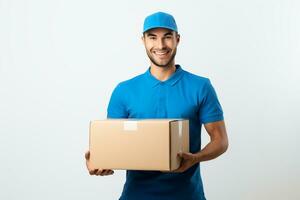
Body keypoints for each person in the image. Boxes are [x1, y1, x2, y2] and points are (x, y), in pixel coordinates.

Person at [85, 11, 228, 200]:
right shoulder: (124, 90)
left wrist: (195, 158)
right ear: (143, 40)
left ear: (178, 39)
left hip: (187, 195)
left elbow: (220, 140)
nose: (160, 45)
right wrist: (99, 162)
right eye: (152, 38)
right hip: (136, 195)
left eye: (167, 37)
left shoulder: (201, 87)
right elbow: (113, 146)